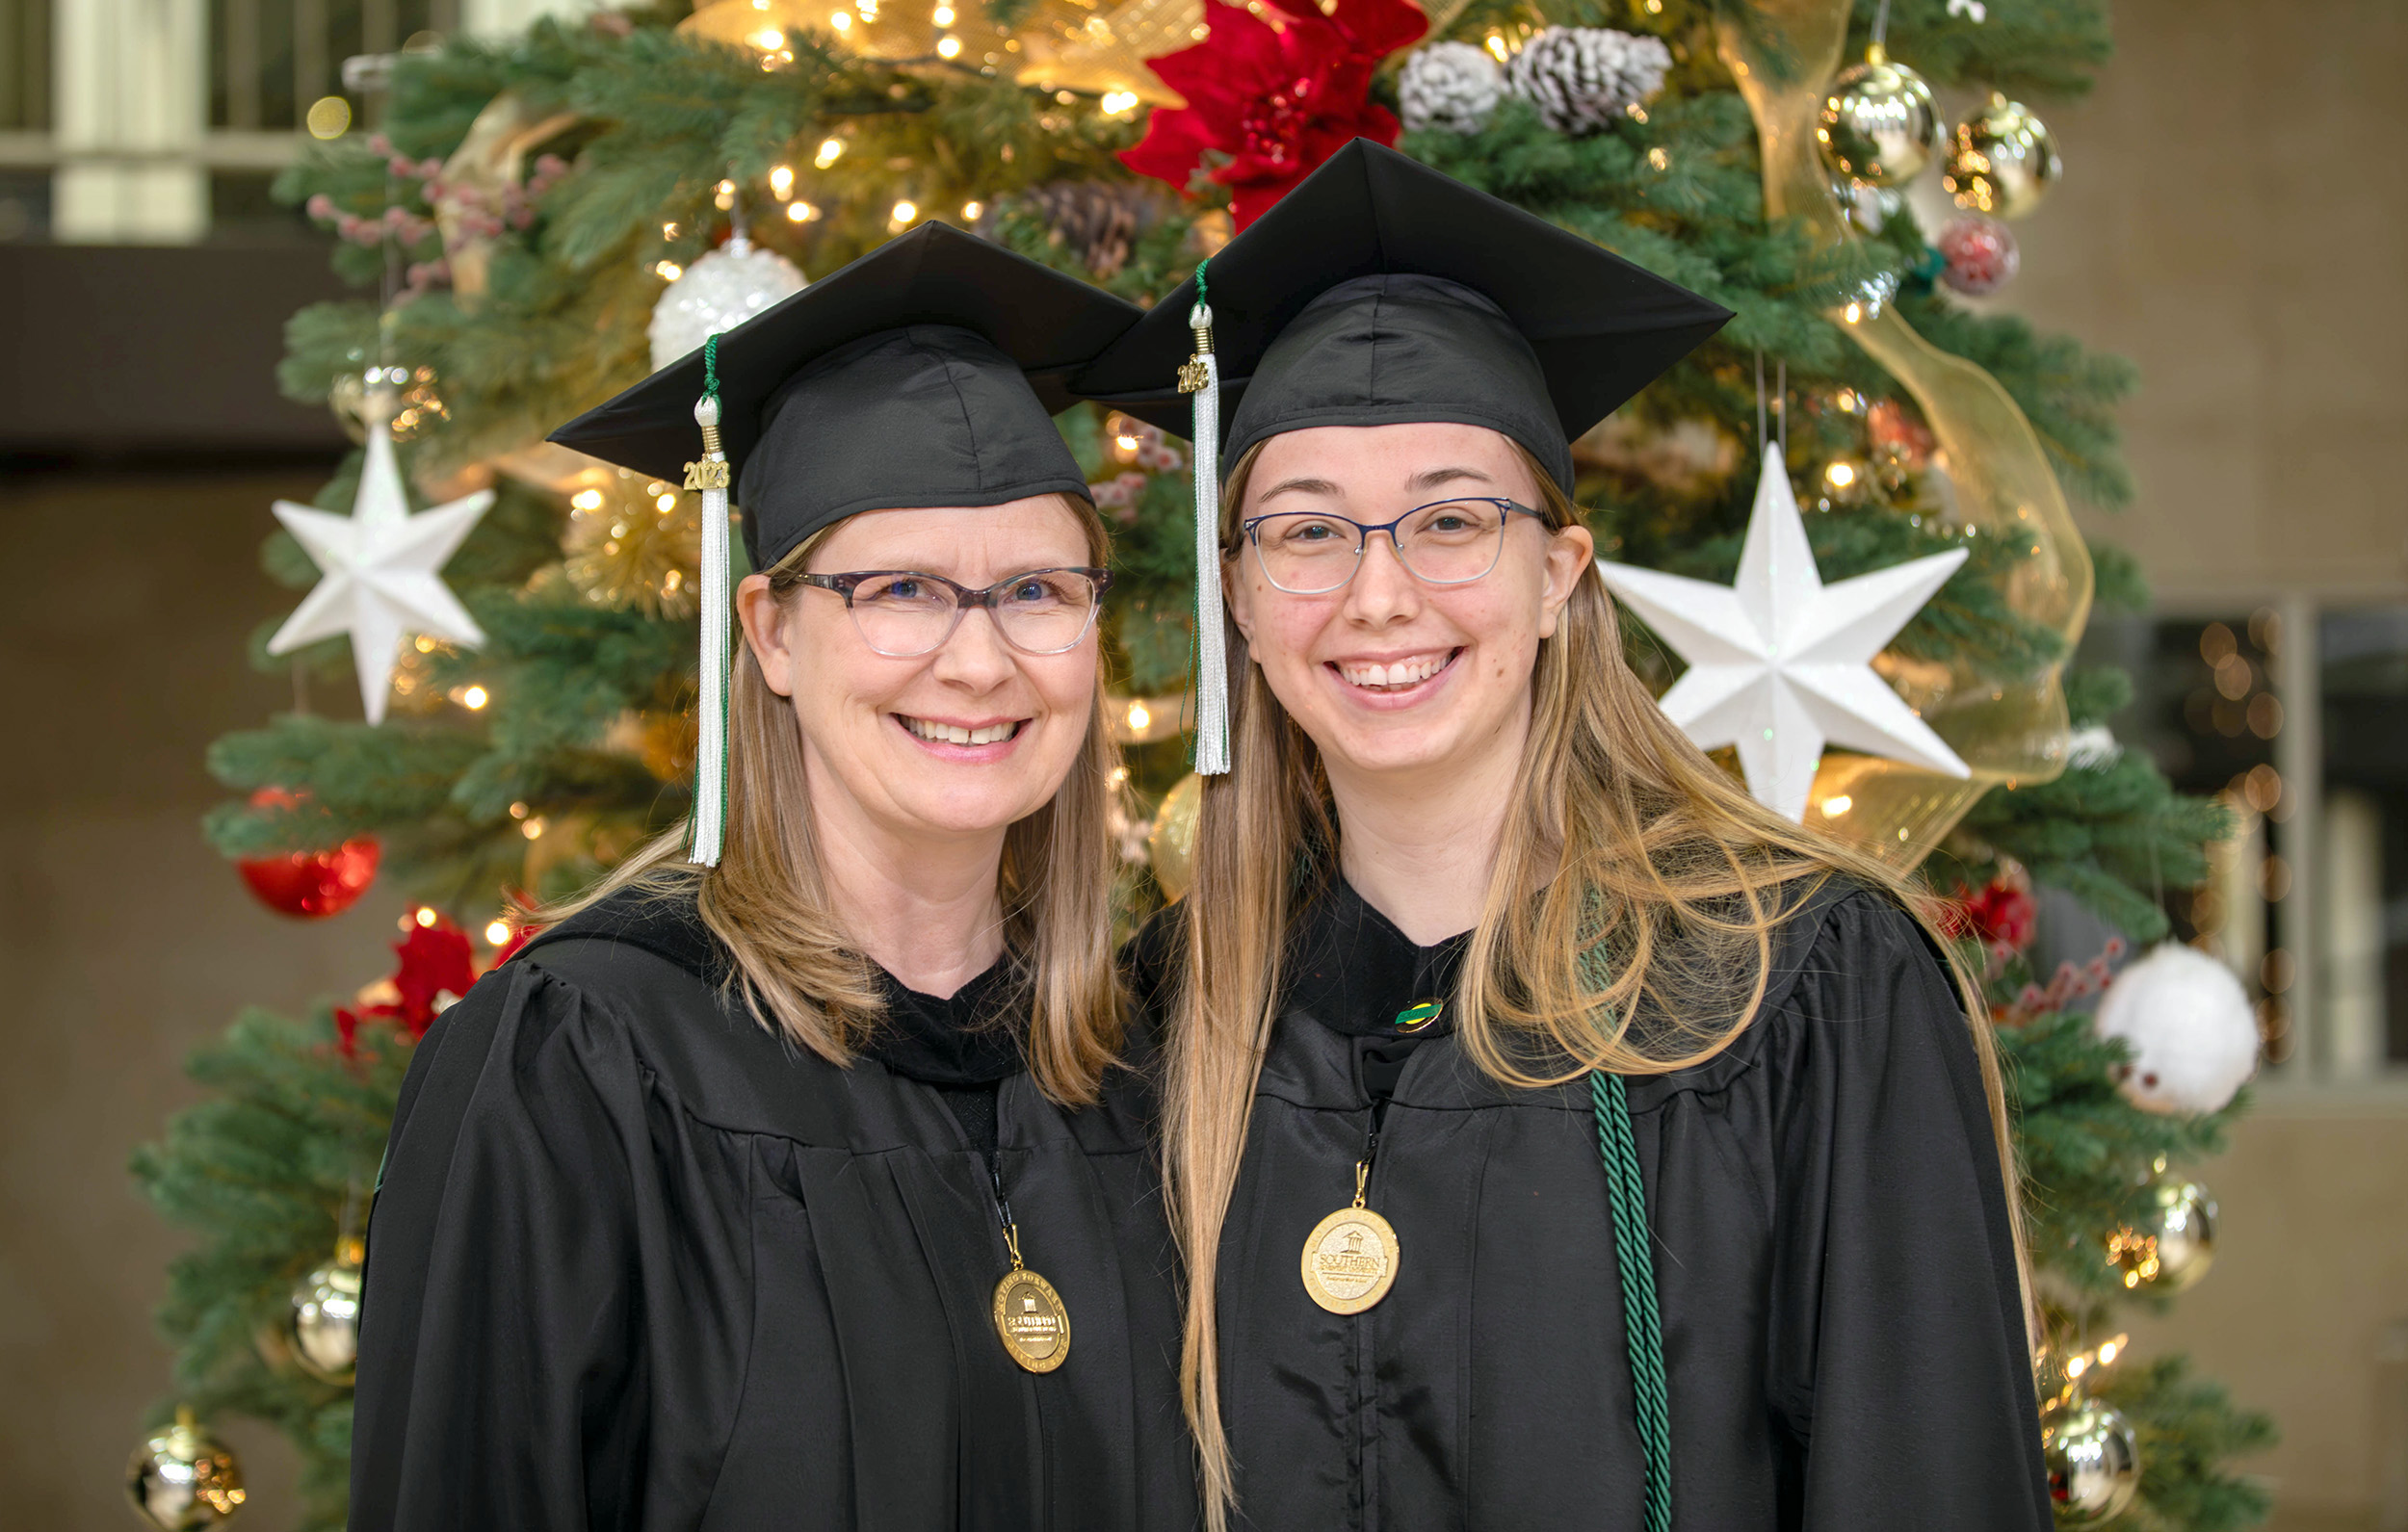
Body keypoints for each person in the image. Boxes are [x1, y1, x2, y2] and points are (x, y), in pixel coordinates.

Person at [1079, 141, 2052, 1530]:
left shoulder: (1796, 989)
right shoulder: (1162, 1024)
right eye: (1306, 533)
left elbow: (1925, 1482)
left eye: (1451, 520)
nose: (1378, 595)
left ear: (1560, 575)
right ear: (1237, 592)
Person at [350, 224, 1196, 1531]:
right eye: (900, 589)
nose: (979, 664)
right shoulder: (590, 1060)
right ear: (772, 631)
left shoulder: (1140, 1072)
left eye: (1036, 588)